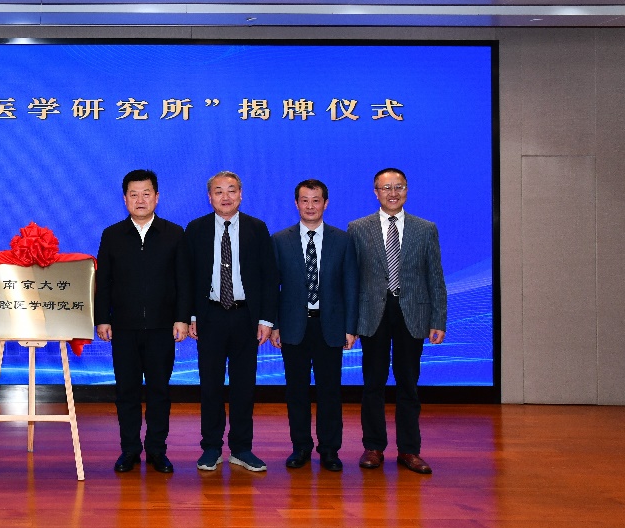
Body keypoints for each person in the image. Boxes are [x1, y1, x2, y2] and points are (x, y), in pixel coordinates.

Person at [348, 168, 447, 475]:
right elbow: (351, 280)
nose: (393, 193)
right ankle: (373, 447)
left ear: (407, 190)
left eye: (399, 187)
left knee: (408, 384)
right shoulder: (357, 228)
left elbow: (435, 277)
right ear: (375, 192)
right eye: (386, 188)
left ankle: (409, 450)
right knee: (373, 384)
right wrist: (350, 323)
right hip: (372, 315)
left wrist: (439, 319)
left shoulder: (425, 229)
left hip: (412, 314)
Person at [95, 169, 191, 474]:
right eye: (133, 194)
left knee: (160, 391)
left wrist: (182, 318)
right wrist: (102, 318)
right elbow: (104, 281)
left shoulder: (174, 233)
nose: (140, 200)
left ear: (157, 197)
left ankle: (157, 450)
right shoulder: (112, 235)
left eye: (146, 193)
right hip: (123, 327)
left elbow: (184, 280)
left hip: (163, 327)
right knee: (126, 392)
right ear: (125, 199)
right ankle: (129, 450)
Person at [186, 171, 279, 473]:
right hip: (210, 316)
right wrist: (191, 315)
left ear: (241, 194)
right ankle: (211, 447)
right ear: (209, 197)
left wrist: (266, 319)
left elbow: (269, 277)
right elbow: (187, 277)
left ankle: (241, 448)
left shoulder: (256, 228)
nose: (225, 197)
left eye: (231, 190)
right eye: (218, 191)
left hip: (246, 317)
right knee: (210, 384)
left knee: (244, 385)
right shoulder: (196, 229)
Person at [271, 179, 359, 472]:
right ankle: (300, 447)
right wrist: (274, 325)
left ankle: (330, 450)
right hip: (293, 327)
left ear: (326, 203)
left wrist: (351, 327)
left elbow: (351, 286)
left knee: (329, 392)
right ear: (296, 204)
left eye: (316, 200)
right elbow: (272, 288)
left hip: (330, 326)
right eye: (305, 200)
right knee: (296, 392)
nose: (310, 206)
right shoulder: (279, 240)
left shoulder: (342, 240)